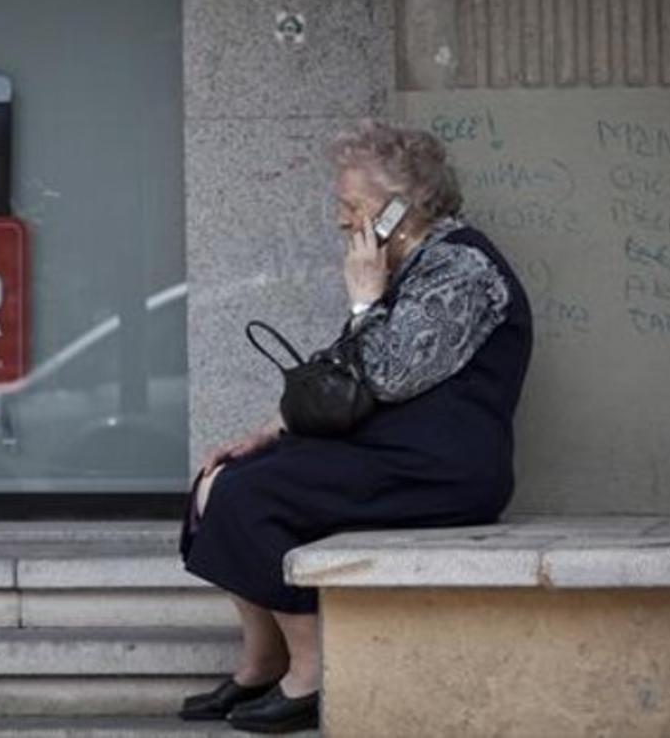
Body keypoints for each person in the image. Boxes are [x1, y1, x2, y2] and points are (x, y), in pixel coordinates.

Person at [177, 121, 533, 734]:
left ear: (402, 206)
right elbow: (341, 381)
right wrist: (270, 430)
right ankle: (263, 660)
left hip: (442, 471)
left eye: (351, 206)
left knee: (246, 497)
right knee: (219, 478)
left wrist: (365, 300)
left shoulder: (461, 271)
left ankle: (311, 668)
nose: (342, 220)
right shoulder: (411, 266)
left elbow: (389, 377)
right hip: (391, 455)